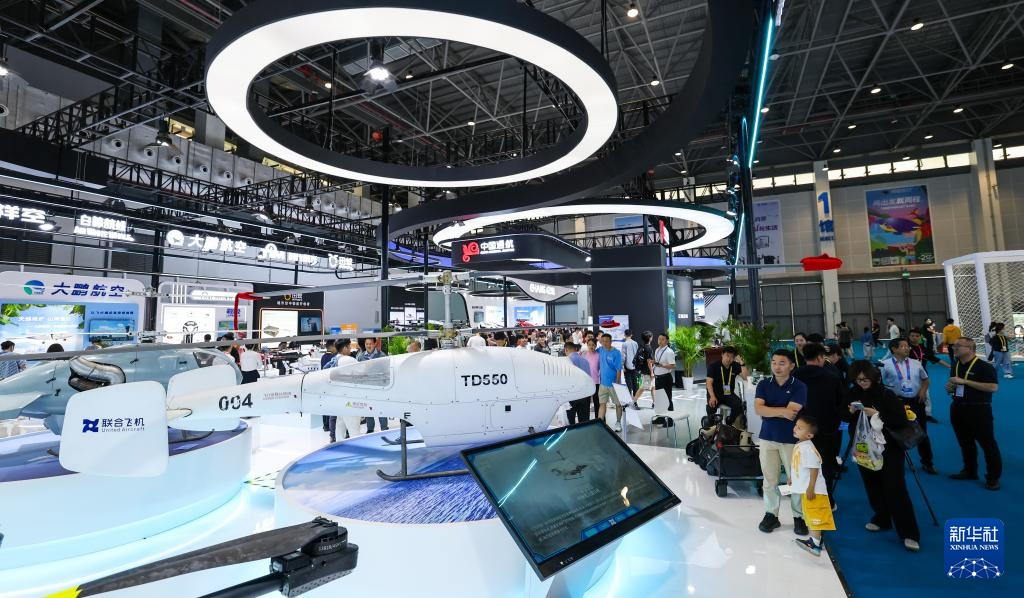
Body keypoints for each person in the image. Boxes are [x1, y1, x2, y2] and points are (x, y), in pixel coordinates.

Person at [844, 360, 920, 551]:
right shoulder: (852, 393)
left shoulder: (887, 394)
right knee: (872, 484)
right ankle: (882, 518)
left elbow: (900, 420)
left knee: (896, 488)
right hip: (863, 447)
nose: (862, 382)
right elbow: (843, 418)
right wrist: (849, 412)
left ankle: (909, 532)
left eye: (865, 379)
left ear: (873, 377)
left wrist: (877, 415)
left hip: (889, 448)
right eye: (858, 380)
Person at [755, 349, 808, 536]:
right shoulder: (763, 384)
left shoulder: (799, 386)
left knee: (795, 479)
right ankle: (771, 514)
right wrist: (781, 411)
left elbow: (791, 413)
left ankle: (799, 517)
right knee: (769, 480)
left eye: (782, 363)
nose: (777, 367)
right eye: (774, 362)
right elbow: (758, 409)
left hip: (791, 439)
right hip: (767, 437)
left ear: (792, 366)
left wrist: (769, 410)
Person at [945, 337, 1001, 491]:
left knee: (987, 444)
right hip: (958, 408)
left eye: (958, 345)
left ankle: (993, 477)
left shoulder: (984, 367)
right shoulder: (956, 365)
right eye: (954, 345)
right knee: (965, 443)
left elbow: (993, 387)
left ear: (970, 348)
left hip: (979, 410)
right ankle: (970, 471)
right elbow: (955, 384)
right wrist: (950, 387)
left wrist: (966, 382)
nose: (954, 348)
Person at [793, 343, 845, 505]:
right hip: (825, 428)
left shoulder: (794, 375)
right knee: (825, 465)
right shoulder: (832, 377)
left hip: (801, 428)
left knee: (801, 462)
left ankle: (802, 500)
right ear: (820, 357)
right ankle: (827, 500)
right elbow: (840, 404)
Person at [880, 338, 935, 474]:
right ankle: (895, 462)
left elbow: (926, 380)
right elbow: (878, 383)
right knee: (895, 433)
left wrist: (923, 391)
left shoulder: (916, 363)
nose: (907, 348)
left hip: (916, 402)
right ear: (894, 349)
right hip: (896, 403)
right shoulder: (884, 364)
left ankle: (927, 462)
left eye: (907, 346)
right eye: (903, 346)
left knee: (922, 433)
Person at [791, 416, 835, 557]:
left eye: (800, 428)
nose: (795, 429)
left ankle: (815, 544)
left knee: (815, 516)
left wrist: (811, 488)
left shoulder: (808, 448)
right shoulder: (801, 445)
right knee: (810, 515)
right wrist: (792, 479)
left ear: (809, 435)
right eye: (796, 425)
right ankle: (815, 540)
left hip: (814, 490)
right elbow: (798, 466)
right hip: (807, 488)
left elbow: (814, 469)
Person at [907, 327, 948, 424]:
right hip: (907, 375)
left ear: (920, 337)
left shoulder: (922, 348)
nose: (914, 337)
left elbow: (934, 358)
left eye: (917, 336)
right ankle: (909, 414)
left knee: (926, 395)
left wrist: (949, 366)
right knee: (909, 395)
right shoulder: (906, 348)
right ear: (909, 336)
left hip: (922, 375)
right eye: (912, 335)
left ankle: (928, 414)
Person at [327, 339, 361, 443]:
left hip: (338, 398)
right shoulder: (349, 360)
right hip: (349, 399)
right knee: (354, 427)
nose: (350, 349)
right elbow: (363, 373)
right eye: (349, 347)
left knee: (340, 426)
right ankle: (357, 448)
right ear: (345, 348)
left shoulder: (334, 360)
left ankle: (340, 445)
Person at [706, 346, 748, 426]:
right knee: (711, 406)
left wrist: (742, 363)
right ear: (722, 355)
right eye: (727, 355)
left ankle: (729, 421)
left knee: (739, 405)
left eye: (732, 357)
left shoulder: (735, 365)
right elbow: (709, 383)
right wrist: (712, 396)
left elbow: (745, 377)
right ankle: (710, 423)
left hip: (728, 393)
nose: (729, 359)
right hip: (715, 393)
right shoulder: (713, 366)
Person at [358, 338, 389, 432]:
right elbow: (358, 372)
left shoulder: (381, 355)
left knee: (381, 409)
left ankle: (384, 428)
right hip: (366, 388)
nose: (369, 346)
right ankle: (370, 429)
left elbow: (387, 371)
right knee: (368, 409)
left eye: (370, 343)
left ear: (375, 344)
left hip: (379, 387)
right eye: (367, 344)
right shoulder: (360, 356)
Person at [596, 333, 624, 432]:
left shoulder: (616, 353)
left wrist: (617, 384)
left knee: (618, 404)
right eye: (603, 341)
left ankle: (618, 423)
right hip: (603, 384)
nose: (604, 343)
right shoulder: (600, 350)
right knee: (602, 404)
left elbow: (618, 369)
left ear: (611, 341)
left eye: (607, 341)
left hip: (613, 384)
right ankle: (600, 423)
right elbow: (592, 353)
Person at [564, 342, 592, 424]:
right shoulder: (585, 361)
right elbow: (589, 379)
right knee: (584, 421)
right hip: (584, 395)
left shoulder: (566, 361)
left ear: (566, 350)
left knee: (570, 421)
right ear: (575, 349)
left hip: (571, 395)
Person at [652, 332, 676, 411]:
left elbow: (673, 366)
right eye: (659, 339)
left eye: (662, 339)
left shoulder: (669, 352)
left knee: (667, 399)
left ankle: (669, 416)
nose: (660, 341)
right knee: (659, 398)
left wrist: (662, 365)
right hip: (658, 378)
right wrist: (653, 362)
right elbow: (658, 362)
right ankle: (661, 415)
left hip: (665, 378)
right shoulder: (657, 350)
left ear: (667, 341)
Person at [633, 331, 656, 404]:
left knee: (653, 386)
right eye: (651, 336)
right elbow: (649, 361)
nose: (652, 337)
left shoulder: (642, 346)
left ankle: (654, 402)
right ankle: (633, 401)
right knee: (643, 387)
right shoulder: (648, 348)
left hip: (643, 370)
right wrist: (652, 372)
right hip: (648, 371)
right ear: (649, 338)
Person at [621, 329, 639, 398]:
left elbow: (623, 356)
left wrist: (622, 366)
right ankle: (635, 398)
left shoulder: (624, 344)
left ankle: (629, 398)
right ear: (631, 335)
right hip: (635, 365)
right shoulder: (635, 343)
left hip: (627, 365)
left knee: (628, 382)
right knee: (635, 382)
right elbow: (637, 354)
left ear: (624, 335)